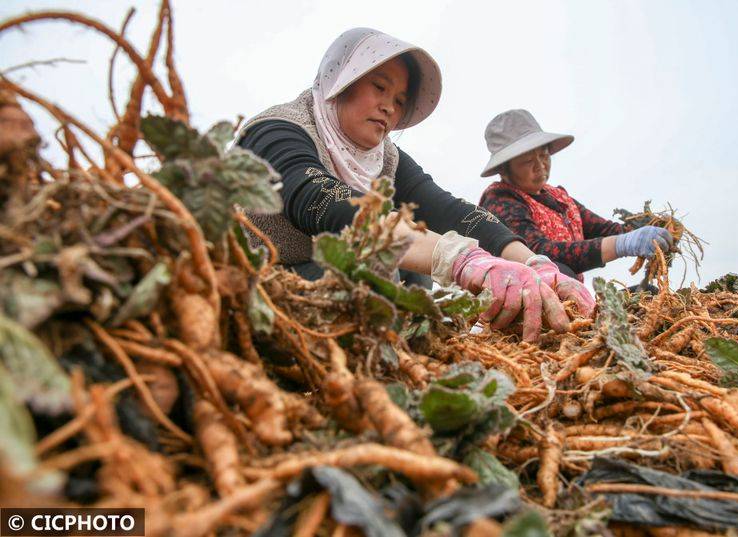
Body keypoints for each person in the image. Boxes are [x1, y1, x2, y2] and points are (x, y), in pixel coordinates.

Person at [235, 28, 594, 341]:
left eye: (400, 101)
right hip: (258, 283)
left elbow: (445, 209)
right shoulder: (277, 130)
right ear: (339, 80)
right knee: (391, 268)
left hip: (330, 286)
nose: (389, 108)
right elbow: (319, 199)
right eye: (379, 87)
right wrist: (459, 260)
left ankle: (408, 351)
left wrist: (533, 261)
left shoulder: (385, 157)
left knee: (409, 263)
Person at [478, 109, 673, 281]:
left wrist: (649, 229)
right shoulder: (500, 201)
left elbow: (604, 229)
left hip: (568, 294)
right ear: (504, 170)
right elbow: (539, 254)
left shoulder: (560, 199)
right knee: (558, 271)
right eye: (528, 160)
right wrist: (622, 244)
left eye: (544, 155)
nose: (540, 165)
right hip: (527, 297)